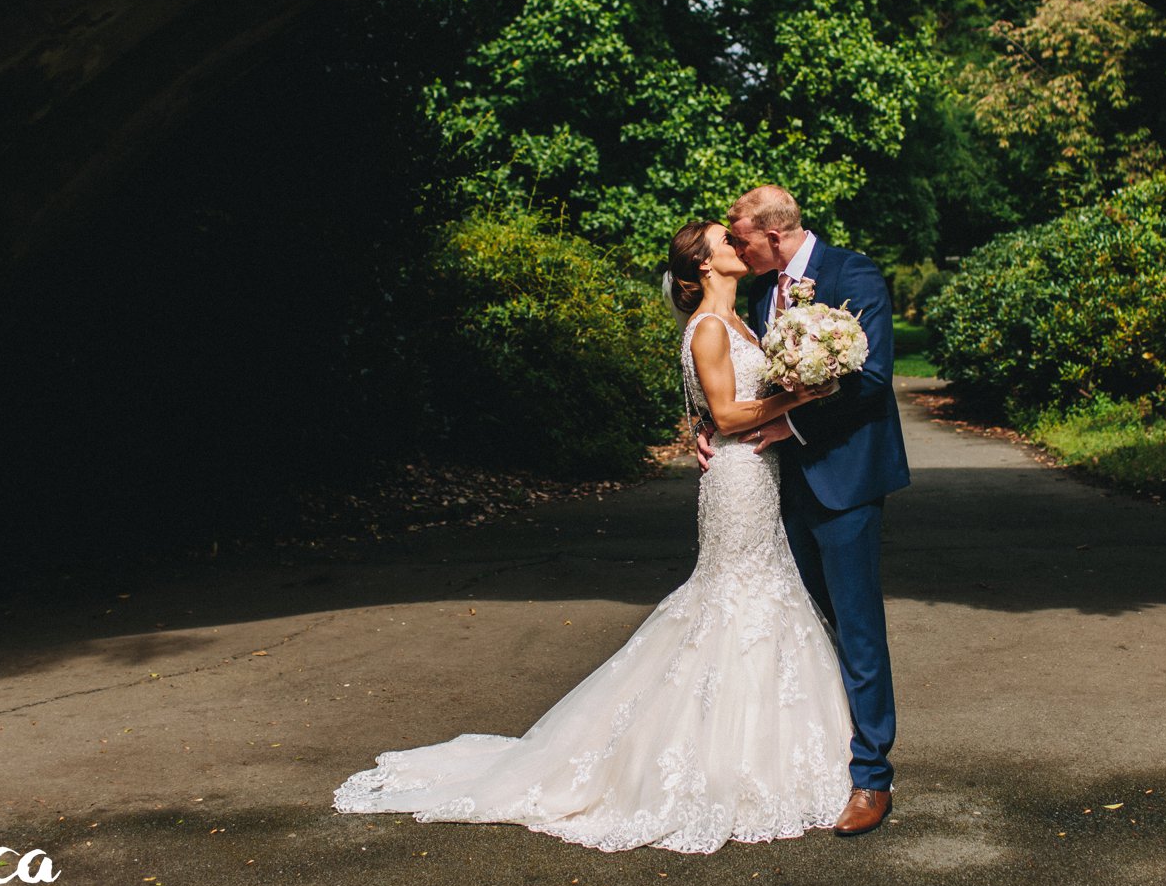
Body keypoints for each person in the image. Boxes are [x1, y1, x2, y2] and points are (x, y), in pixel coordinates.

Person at [331, 220, 854, 853]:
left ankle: (767, 753)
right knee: (735, 597)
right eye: (724, 240)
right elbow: (726, 414)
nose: (737, 245)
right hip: (738, 478)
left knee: (759, 591)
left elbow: (705, 409)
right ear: (703, 267)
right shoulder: (713, 327)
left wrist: (740, 408)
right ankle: (710, 764)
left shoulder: (738, 322)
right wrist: (801, 394)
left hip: (756, 471)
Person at [698, 184, 910, 837]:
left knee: (856, 629)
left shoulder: (853, 272)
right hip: (777, 490)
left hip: (845, 480)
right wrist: (705, 423)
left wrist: (795, 430)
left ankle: (872, 777)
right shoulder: (761, 294)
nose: (736, 247)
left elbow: (870, 379)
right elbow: (753, 381)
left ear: (776, 232)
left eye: (741, 237)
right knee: (805, 630)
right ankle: (819, 758)